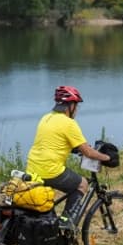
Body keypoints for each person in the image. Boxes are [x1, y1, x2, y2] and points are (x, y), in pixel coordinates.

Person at [25, 85, 111, 227]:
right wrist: (107, 158)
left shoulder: (46, 118)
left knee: (46, 203)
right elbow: (88, 152)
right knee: (82, 184)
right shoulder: (69, 123)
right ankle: (67, 222)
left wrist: (73, 148)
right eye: (76, 106)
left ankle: (52, 228)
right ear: (69, 106)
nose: (76, 110)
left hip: (32, 169)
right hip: (51, 170)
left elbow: (54, 141)